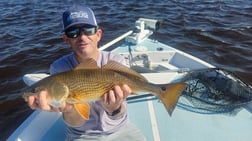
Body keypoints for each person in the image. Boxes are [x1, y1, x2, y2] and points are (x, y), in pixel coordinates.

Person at [26, 5, 146, 141]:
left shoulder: (114, 60)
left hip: (121, 128)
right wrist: (69, 109)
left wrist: (115, 108)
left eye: (88, 30)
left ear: (98, 34)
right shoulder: (59, 68)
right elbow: (76, 122)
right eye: (73, 32)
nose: (82, 37)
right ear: (66, 39)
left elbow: (118, 115)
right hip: (82, 135)